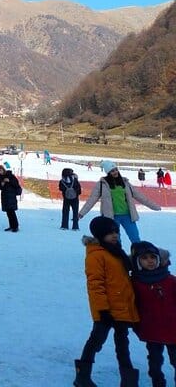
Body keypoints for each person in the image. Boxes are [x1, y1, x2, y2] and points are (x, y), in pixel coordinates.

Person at [73, 216, 140, 387]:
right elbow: (95, 285)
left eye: (116, 232)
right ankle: (82, 376)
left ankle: (128, 380)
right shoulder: (96, 255)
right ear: (100, 234)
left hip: (121, 308)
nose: (115, 235)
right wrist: (102, 310)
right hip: (106, 311)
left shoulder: (116, 252)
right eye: (110, 233)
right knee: (96, 342)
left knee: (123, 346)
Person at [79, 160, 161, 244]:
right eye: (112, 171)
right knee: (115, 241)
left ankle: (138, 251)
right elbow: (92, 199)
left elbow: (140, 196)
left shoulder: (125, 183)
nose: (115, 172)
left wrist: (154, 206)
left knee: (135, 238)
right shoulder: (102, 184)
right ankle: (118, 252)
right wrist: (82, 213)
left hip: (127, 215)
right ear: (108, 173)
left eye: (116, 170)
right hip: (111, 217)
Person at [130, 241, 176, 387]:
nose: (150, 261)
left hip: (173, 329)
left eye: (153, 257)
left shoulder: (170, 281)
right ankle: (158, 383)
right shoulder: (135, 283)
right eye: (144, 258)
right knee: (155, 363)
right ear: (137, 262)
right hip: (152, 330)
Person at [0, 164, 21, 232]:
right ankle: (11, 226)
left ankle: (15, 226)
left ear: (3, 169)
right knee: (8, 212)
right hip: (5, 196)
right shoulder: (0, 177)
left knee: (12, 211)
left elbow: (16, 184)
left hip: (11, 195)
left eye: (0, 170)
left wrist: (9, 181)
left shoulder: (10, 175)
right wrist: (2, 184)